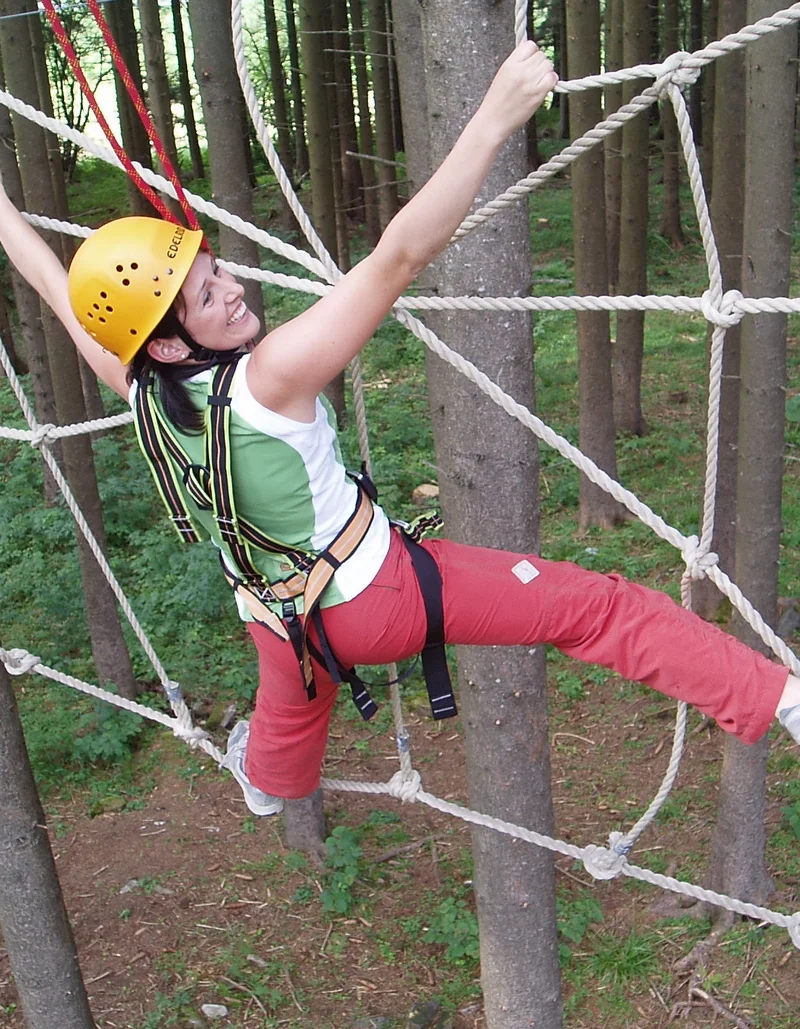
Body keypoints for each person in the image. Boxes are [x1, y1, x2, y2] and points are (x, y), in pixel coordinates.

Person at [1, 43, 799, 816]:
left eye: (219, 270)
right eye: (212, 296)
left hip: (279, 617)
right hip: (376, 596)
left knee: (291, 706)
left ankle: (269, 781)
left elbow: (47, 277)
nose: (236, 290)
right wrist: (494, 117)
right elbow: (399, 255)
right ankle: (778, 697)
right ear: (169, 340)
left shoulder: (138, 381)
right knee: (598, 606)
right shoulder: (271, 374)